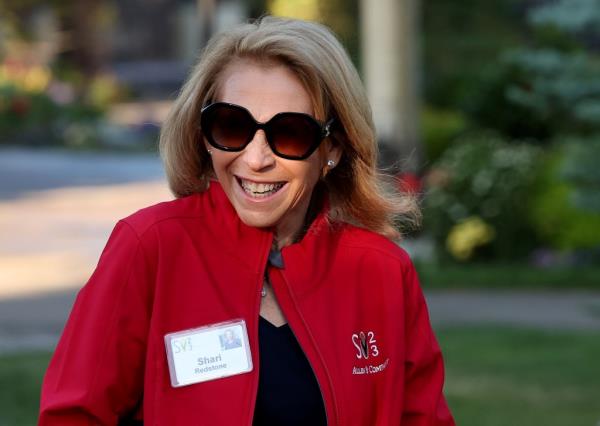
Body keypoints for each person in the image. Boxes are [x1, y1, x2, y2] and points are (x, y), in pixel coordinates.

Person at [39, 16, 455, 425]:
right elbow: (72, 415)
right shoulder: (150, 247)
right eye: (232, 126)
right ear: (204, 134)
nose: (255, 159)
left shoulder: (381, 271)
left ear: (333, 149)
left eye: (290, 132)